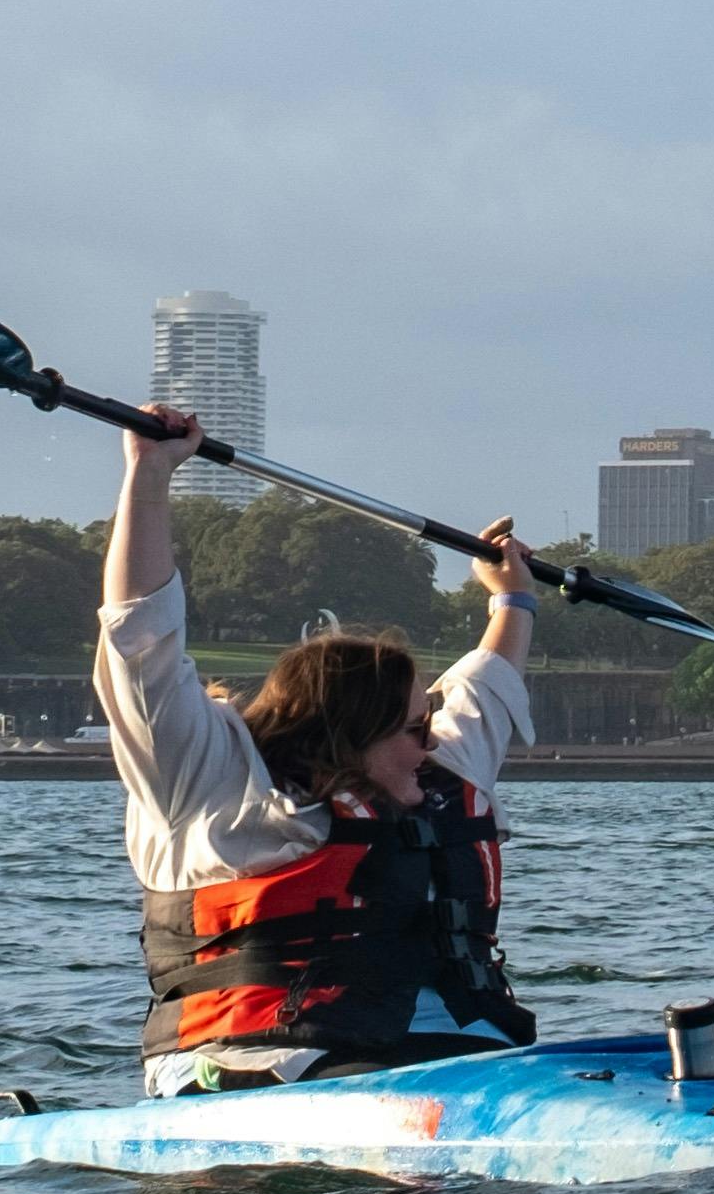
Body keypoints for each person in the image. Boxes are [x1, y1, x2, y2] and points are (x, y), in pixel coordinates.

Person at [98, 400, 538, 1087]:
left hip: (453, 1053)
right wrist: (148, 478)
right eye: (416, 727)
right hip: (259, 1059)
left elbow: (486, 689)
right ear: (351, 732)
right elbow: (140, 641)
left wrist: (512, 599)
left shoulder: (428, 780)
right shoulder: (208, 787)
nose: (433, 744)